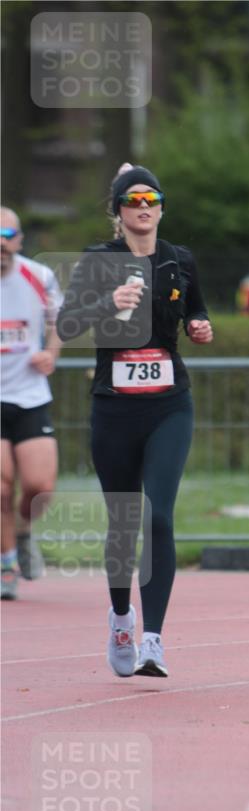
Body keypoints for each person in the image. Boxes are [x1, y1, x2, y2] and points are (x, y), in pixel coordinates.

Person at [57, 164, 213, 678]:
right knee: (123, 522)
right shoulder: (98, 260)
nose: (143, 207)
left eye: (152, 199)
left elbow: (196, 311)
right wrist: (109, 302)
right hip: (114, 407)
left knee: (158, 516)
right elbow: (67, 324)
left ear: (162, 209)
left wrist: (200, 325)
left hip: (169, 403)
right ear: (118, 211)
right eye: (132, 200)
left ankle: (153, 641)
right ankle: (122, 617)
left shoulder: (179, 259)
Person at [1, 207, 63, 601]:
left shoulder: (39, 275)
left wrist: (50, 354)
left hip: (30, 396)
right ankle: (6, 563)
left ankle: (24, 533)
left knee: (40, 487)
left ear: (20, 239)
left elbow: (60, 322)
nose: (0, 243)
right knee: (1, 487)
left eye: (7, 235)